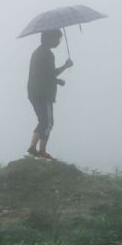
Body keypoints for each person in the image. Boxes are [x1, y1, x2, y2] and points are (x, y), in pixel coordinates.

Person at [26, 29, 73, 159]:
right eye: (57, 39)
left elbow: (44, 74)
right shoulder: (47, 54)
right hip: (43, 93)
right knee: (48, 122)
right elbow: (50, 74)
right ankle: (41, 151)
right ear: (50, 39)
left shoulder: (38, 52)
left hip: (34, 91)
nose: (58, 41)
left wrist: (57, 81)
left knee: (43, 121)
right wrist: (66, 66)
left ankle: (32, 149)